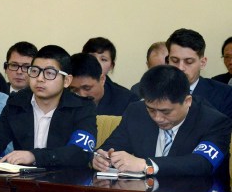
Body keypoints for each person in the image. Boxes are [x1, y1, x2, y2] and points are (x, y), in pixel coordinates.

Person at [0, 45, 97, 168]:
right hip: (24, 182)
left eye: (49, 73)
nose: (40, 78)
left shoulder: (83, 108)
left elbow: (80, 152)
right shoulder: (17, 102)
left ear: (67, 81)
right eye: (35, 71)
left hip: (66, 182)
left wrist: (34, 156)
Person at [92, 65, 231, 176]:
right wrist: (100, 158)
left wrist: (146, 165)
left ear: (187, 101)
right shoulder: (136, 111)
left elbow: (202, 163)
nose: (157, 118)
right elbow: (110, 147)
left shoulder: (214, 122)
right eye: (151, 109)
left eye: (166, 111)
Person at [166, 28, 232, 118]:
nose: (180, 68)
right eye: (174, 60)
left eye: (188, 61)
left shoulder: (224, 95)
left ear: (202, 63)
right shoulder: (153, 91)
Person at [69, 53, 139, 116]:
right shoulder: (63, 100)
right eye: (74, 90)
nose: (82, 95)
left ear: (102, 79)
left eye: (87, 88)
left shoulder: (128, 103)